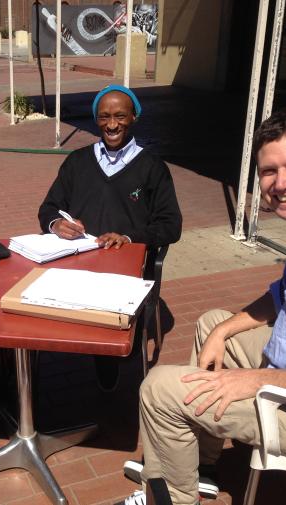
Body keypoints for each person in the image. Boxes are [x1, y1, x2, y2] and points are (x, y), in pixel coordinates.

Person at [125, 110, 286, 505]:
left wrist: (260, 380)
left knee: (159, 389)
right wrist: (223, 330)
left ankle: (174, 498)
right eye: (269, 171)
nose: (281, 183)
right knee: (214, 321)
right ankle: (203, 467)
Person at [38, 84, 182, 391]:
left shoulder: (152, 168)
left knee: (104, 306)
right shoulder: (77, 162)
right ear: (96, 119)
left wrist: (129, 238)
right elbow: (49, 207)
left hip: (125, 266)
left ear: (134, 117)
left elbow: (171, 226)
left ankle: (106, 360)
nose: (112, 124)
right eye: (104, 117)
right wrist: (54, 224)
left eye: (120, 116)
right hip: (78, 259)